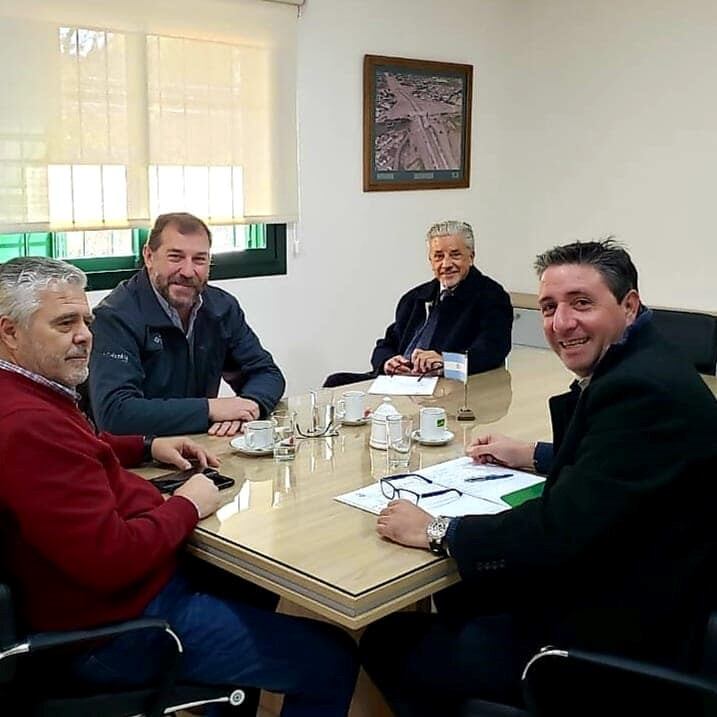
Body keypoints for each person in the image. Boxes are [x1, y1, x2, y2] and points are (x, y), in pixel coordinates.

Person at [359, 239, 717, 715]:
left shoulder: (640, 390)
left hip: (615, 633)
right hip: (652, 587)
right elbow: (620, 460)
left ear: (629, 305)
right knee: (464, 594)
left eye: (581, 303)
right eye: (549, 307)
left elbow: (555, 531)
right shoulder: (648, 362)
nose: (561, 322)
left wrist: (436, 529)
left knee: (388, 639)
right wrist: (535, 454)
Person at [0, 257, 358, 716]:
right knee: (331, 657)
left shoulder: (26, 394)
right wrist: (187, 504)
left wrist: (148, 445)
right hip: (114, 631)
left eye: (86, 321)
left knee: (249, 585)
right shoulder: (26, 425)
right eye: (65, 323)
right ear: (10, 332)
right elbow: (110, 559)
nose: (86, 335)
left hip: (106, 599)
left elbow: (81, 446)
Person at [89, 212, 285, 437]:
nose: (188, 271)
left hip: (203, 445)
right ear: (149, 256)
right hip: (140, 459)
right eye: (175, 257)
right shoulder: (114, 317)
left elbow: (266, 373)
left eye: (199, 259)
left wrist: (251, 405)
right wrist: (211, 409)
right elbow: (115, 414)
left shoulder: (221, 308)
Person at [323, 220, 513, 387]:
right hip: (399, 382)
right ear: (430, 260)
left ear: (471, 257)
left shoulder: (491, 296)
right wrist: (388, 361)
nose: (446, 264)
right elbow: (386, 344)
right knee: (336, 382)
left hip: (444, 387)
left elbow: (492, 351)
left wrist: (444, 363)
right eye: (438, 256)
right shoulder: (415, 298)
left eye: (455, 255)